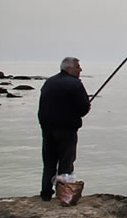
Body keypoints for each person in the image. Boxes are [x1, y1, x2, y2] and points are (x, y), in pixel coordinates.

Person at [38, 57, 91, 201]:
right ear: (69, 68)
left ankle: (45, 194)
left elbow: (42, 107)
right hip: (66, 130)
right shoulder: (75, 84)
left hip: (48, 129)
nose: (80, 70)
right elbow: (83, 108)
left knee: (49, 162)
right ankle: (64, 196)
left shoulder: (49, 82)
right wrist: (87, 106)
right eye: (78, 67)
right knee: (66, 163)